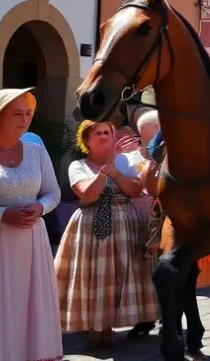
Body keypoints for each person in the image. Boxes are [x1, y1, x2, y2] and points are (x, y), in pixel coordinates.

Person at [0, 88, 64, 361]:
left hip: (32, 240)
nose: (24, 120)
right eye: (17, 114)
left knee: (29, 303)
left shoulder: (36, 151)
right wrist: (2, 216)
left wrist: (40, 207)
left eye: (28, 114)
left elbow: (53, 193)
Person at [54, 120, 157, 348]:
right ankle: (95, 328)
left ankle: (109, 326)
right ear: (87, 140)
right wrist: (104, 173)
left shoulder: (123, 162)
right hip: (90, 225)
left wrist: (115, 171)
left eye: (107, 133)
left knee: (118, 274)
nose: (104, 137)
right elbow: (87, 194)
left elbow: (135, 190)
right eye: (98, 133)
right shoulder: (77, 165)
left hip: (124, 225)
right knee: (94, 275)